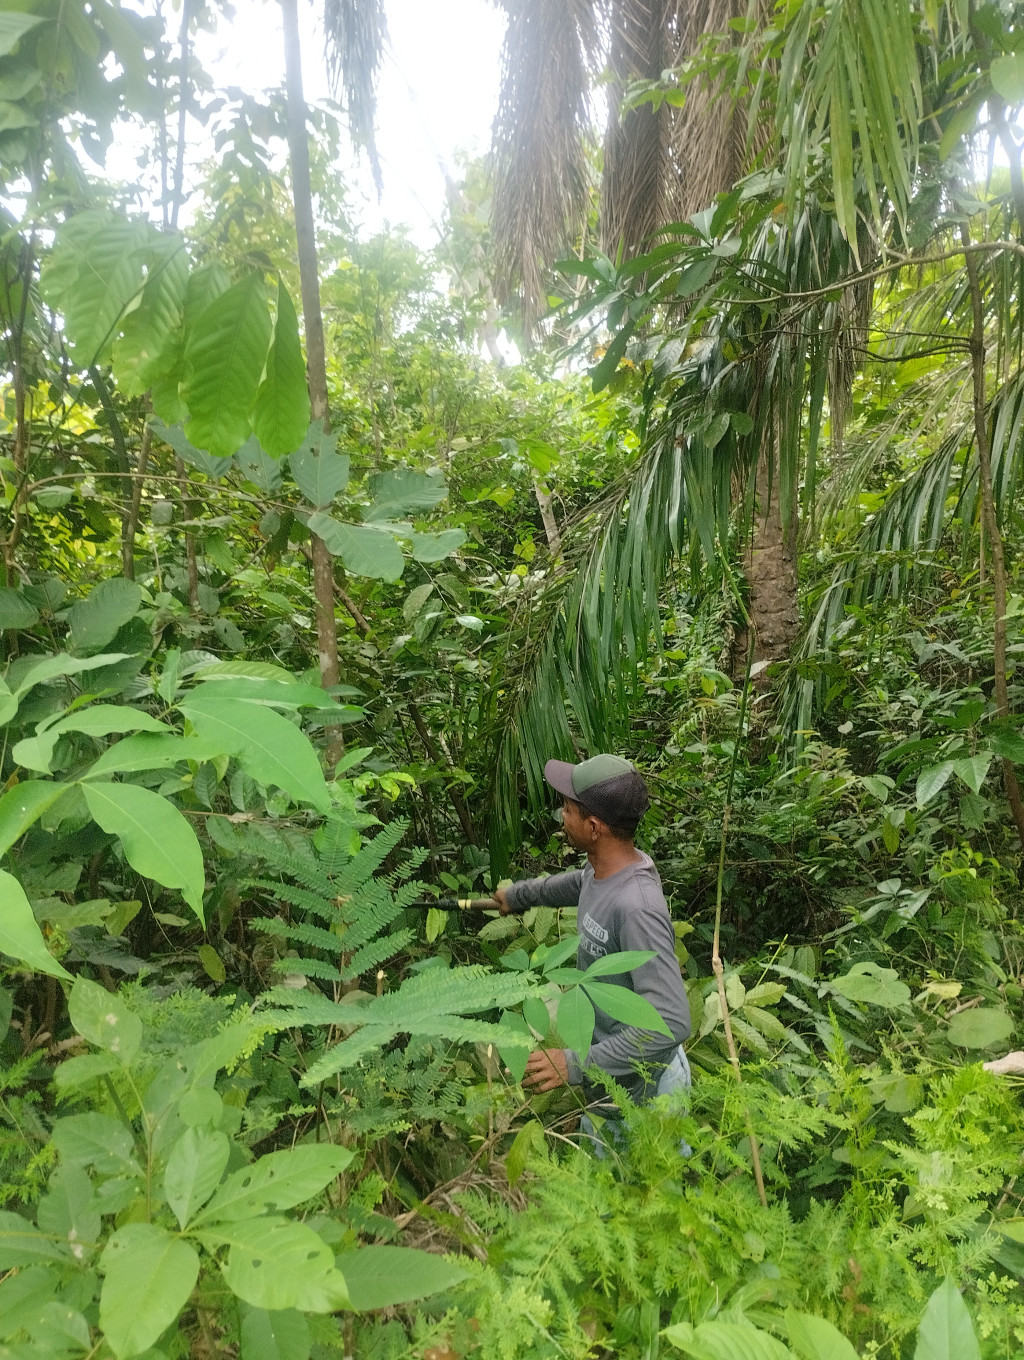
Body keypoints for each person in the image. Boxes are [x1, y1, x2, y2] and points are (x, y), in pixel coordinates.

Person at [494, 754, 691, 1134]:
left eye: (568, 809)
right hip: (612, 1086)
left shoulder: (636, 907)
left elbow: (671, 1021)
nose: (561, 816)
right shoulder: (602, 870)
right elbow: (576, 885)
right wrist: (519, 896)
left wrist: (574, 1064)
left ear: (595, 826)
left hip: (649, 1097)